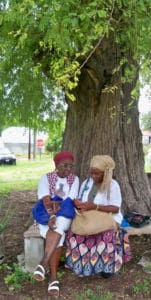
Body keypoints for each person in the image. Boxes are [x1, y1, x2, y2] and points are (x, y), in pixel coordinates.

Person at [65, 155, 131, 278]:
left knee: (104, 235)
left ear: (105, 173)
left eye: (97, 174)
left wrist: (95, 207)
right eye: (92, 173)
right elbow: (81, 199)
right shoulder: (86, 183)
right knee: (75, 234)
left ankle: (107, 266)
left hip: (107, 217)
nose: (94, 176)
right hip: (88, 217)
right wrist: (78, 203)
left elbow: (116, 208)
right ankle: (83, 265)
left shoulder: (113, 185)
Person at [32, 151, 79, 296]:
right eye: (64, 165)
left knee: (59, 225)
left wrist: (56, 214)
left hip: (65, 211)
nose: (68, 169)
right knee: (58, 234)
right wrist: (51, 215)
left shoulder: (74, 179)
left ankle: (44, 263)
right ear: (56, 165)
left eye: (70, 166)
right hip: (46, 211)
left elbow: (68, 201)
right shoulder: (46, 178)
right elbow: (46, 199)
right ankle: (53, 277)